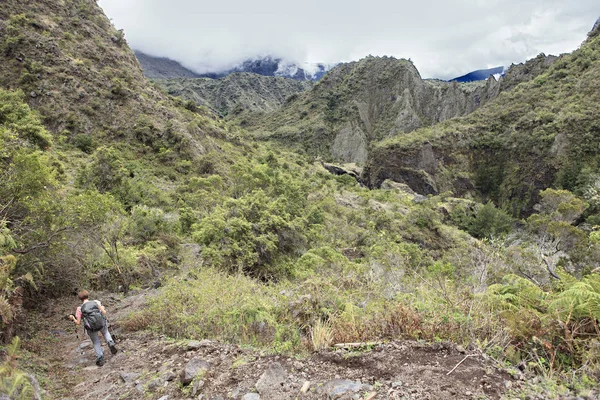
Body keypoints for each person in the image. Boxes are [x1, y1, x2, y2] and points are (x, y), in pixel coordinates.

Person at [69, 290, 118, 366]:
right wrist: (102, 308)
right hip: (101, 322)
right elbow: (104, 312)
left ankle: (100, 358)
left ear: (80, 298)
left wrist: (73, 319)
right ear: (88, 295)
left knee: (96, 341)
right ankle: (110, 342)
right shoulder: (96, 302)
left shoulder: (79, 308)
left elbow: (78, 323)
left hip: (90, 327)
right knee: (105, 332)